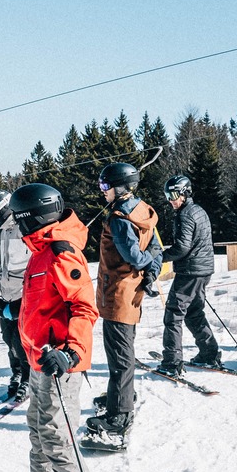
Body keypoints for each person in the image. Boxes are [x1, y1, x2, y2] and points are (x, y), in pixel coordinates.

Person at [4, 184, 109, 472]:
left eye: (19, 221)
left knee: (58, 439)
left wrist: (71, 352)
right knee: (38, 429)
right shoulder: (39, 251)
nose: (16, 228)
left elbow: (84, 308)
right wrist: (6, 309)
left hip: (59, 363)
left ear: (34, 218)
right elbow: (41, 304)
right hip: (38, 361)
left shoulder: (62, 252)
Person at [84, 162, 161, 451]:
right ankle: (121, 397)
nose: (102, 192)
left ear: (121, 188)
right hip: (130, 292)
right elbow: (154, 248)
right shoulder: (143, 210)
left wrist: (144, 264)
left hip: (118, 293)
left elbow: (134, 255)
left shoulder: (119, 218)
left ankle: (120, 415)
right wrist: (151, 269)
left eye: (106, 187)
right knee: (123, 350)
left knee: (119, 356)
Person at [155, 174, 220, 377]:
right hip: (203, 270)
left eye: (173, 194)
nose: (170, 200)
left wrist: (160, 257)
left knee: (173, 315)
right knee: (194, 312)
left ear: (184, 193)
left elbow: (182, 247)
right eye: (167, 195)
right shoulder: (198, 210)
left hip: (190, 271)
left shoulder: (185, 215)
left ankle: (172, 362)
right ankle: (209, 353)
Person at [0, 191, 32, 402]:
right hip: (7, 291)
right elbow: (7, 262)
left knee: (21, 341)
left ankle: (29, 379)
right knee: (8, 338)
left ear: (5, 209)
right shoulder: (5, 231)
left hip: (24, 293)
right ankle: (17, 372)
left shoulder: (24, 228)